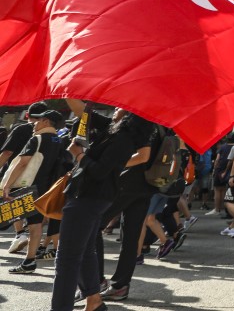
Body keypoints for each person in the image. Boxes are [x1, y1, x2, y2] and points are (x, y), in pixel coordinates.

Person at [52, 108, 154, 311]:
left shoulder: (123, 139)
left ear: (128, 115)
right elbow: (82, 110)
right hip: (92, 197)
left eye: (120, 107)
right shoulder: (116, 132)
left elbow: (99, 171)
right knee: (86, 251)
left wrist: (79, 155)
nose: (115, 109)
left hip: (88, 197)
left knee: (66, 260)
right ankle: (94, 300)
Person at [3, 108, 68, 274]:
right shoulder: (59, 140)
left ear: (46, 122)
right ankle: (30, 260)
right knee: (36, 224)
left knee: (8, 218)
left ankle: (29, 261)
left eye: (38, 120)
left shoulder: (37, 139)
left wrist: (7, 185)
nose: (34, 123)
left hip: (28, 187)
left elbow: (22, 163)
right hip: (46, 189)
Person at [1, 102, 48, 255]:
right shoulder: (51, 133)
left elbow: (7, 153)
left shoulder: (22, 129)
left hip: (18, 175)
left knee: (13, 203)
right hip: (41, 177)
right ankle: (36, 248)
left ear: (27, 115)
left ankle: (20, 234)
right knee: (34, 213)